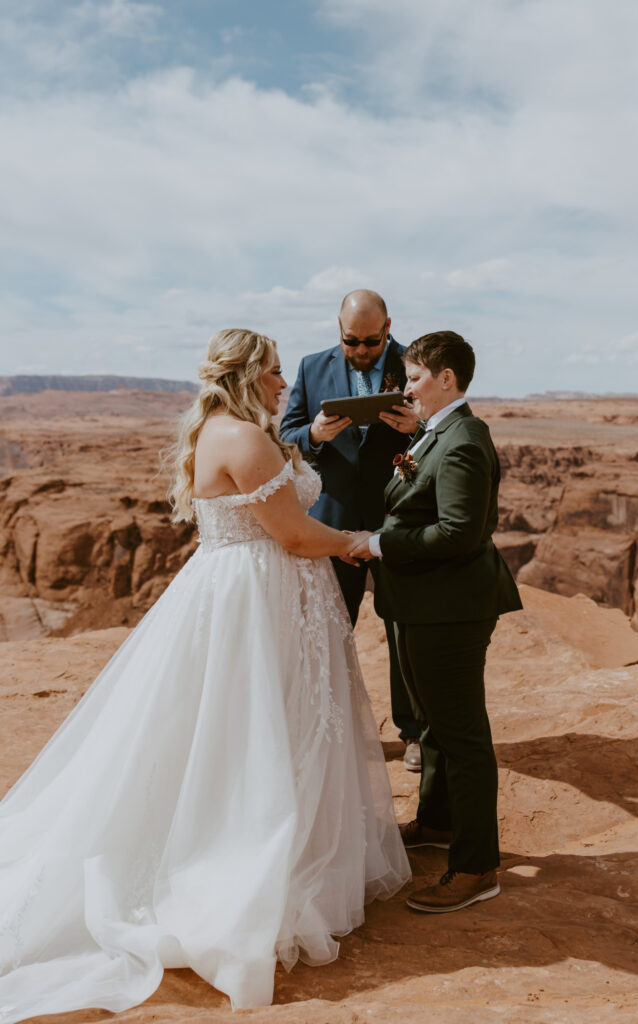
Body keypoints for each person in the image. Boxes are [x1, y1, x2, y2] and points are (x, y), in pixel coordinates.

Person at [0, 329, 410, 1021]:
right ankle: (239, 863)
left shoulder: (237, 430)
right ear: (248, 373)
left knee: (259, 727)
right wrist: (363, 543)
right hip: (254, 601)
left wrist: (307, 438)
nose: (286, 382)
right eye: (277, 372)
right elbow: (292, 534)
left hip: (257, 593)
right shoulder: (245, 439)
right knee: (253, 731)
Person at [349, 330, 522, 914]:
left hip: (450, 611)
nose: (405, 388)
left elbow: (458, 533)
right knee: (433, 727)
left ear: (446, 379)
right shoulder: (434, 434)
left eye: (414, 377)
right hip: (422, 606)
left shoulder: (464, 438)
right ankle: (437, 824)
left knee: (463, 735)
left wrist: (378, 543)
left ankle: (477, 867)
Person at [280, 290, 422, 771]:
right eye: (351, 341)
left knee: (404, 628)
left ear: (388, 327)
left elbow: (441, 433)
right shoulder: (310, 366)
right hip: (332, 522)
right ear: (337, 329)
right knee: (326, 628)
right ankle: (324, 732)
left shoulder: (415, 364)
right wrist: (314, 436)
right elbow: (285, 434)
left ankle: (415, 733)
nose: (361, 351)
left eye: (371, 342)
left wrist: (416, 428)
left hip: (395, 520)